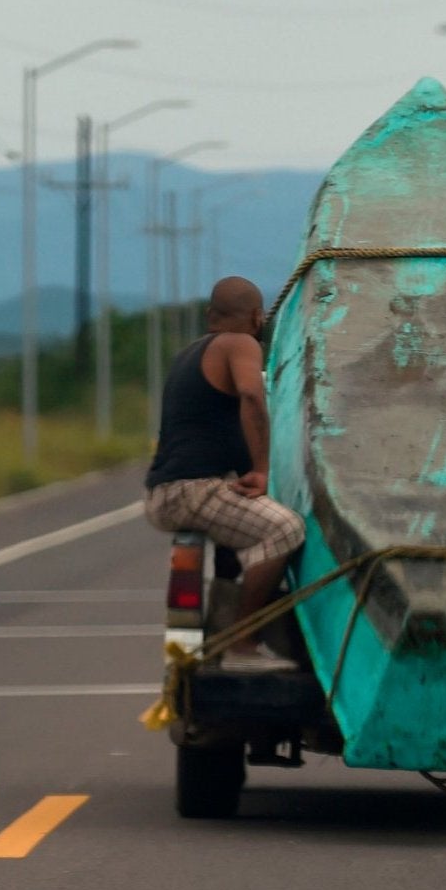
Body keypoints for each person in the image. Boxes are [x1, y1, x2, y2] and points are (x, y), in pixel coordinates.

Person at [143, 277, 306, 647]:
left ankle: (221, 616)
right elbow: (251, 395)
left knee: (245, 537)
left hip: (168, 489)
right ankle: (243, 640)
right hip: (191, 490)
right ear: (256, 316)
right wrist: (262, 471)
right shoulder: (240, 344)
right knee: (284, 530)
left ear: (209, 315)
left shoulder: (192, 352)